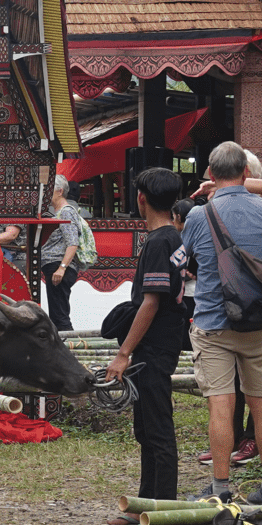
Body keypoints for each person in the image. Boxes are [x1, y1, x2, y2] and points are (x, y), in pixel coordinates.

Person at [179, 142, 262, 503]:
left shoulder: (199, 216)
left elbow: (181, 262)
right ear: (246, 174)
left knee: (220, 405)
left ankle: (220, 488)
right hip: (260, 322)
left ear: (211, 175)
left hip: (214, 322)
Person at [105, 167, 186, 501]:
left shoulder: (158, 241)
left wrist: (123, 353)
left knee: (158, 430)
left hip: (153, 347)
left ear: (141, 198)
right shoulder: (173, 237)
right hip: (160, 344)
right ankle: (144, 504)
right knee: (147, 429)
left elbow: (151, 302)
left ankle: (162, 508)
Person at [38, 174, 80, 330]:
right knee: (57, 315)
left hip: (59, 267)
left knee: (59, 317)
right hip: (55, 267)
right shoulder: (59, 212)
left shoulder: (66, 211)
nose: (45, 194)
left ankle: (70, 350)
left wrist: (62, 267)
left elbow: (73, 243)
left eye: (49, 190)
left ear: (60, 191)